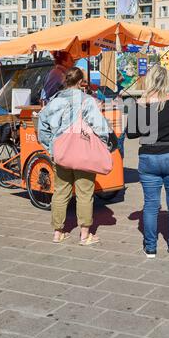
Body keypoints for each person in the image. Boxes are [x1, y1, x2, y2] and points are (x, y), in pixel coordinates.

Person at [38, 67, 110, 245]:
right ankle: (85, 235)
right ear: (81, 82)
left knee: (61, 192)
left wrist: (51, 146)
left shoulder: (54, 100)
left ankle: (58, 233)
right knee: (85, 194)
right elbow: (100, 127)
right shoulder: (87, 101)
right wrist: (103, 143)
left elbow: (42, 124)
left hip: (61, 153)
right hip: (83, 153)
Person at [126, 65, 169, 258]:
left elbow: (131, 133)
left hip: (149, 157)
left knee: (151, 204)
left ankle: (151, 247)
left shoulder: (141, 103)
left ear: (149, 80)